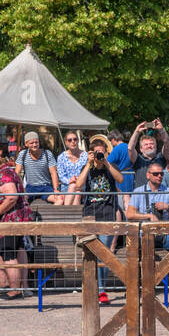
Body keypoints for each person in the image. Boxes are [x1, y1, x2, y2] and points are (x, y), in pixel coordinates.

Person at [74, 133, 122, 303]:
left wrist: (106, 162)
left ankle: (101, 290)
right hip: (90, 215)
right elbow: (78, 185)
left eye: (102, 152)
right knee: (91, 253)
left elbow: (120, 179)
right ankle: (94, 288)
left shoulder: (110, 166)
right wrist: (89, 164)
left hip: (107, 214)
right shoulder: (87, 167)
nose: (99, 155)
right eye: (97, 152)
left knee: (104, 254)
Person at [0, 147, 30, 299]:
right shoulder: (3, 172)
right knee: (7, 252)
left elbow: (12, 197)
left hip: (11, 220)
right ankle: (10, 286)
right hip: (9, 220)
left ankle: (15, 290)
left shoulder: (5, 174)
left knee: (9, 255)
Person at [15, 131, 61, 204]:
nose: (34, 145)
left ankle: (53, 212)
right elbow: (17, 173)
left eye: (36, 142)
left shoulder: (47, 154)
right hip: (30, 187)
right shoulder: (23, 154)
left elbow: (53, 173)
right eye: (31, 143)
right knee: (19, 201)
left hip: (45, 186)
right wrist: (21, 189)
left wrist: (56, 189)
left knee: (59, 200)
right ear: (26, 144)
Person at [56, 130, 88, 206]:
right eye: (70, 140)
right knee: (75, 188)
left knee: (77, 189)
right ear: (66, 143)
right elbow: (61, 176)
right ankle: (74, 212)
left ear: (78, 141)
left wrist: (79, 180)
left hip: (82, 186)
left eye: (75, 139)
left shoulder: (85, 156)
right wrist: (70, 180)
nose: (73, 142)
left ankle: (67, 210)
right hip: (66, 186)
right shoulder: (61, 157)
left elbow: (88, 173)